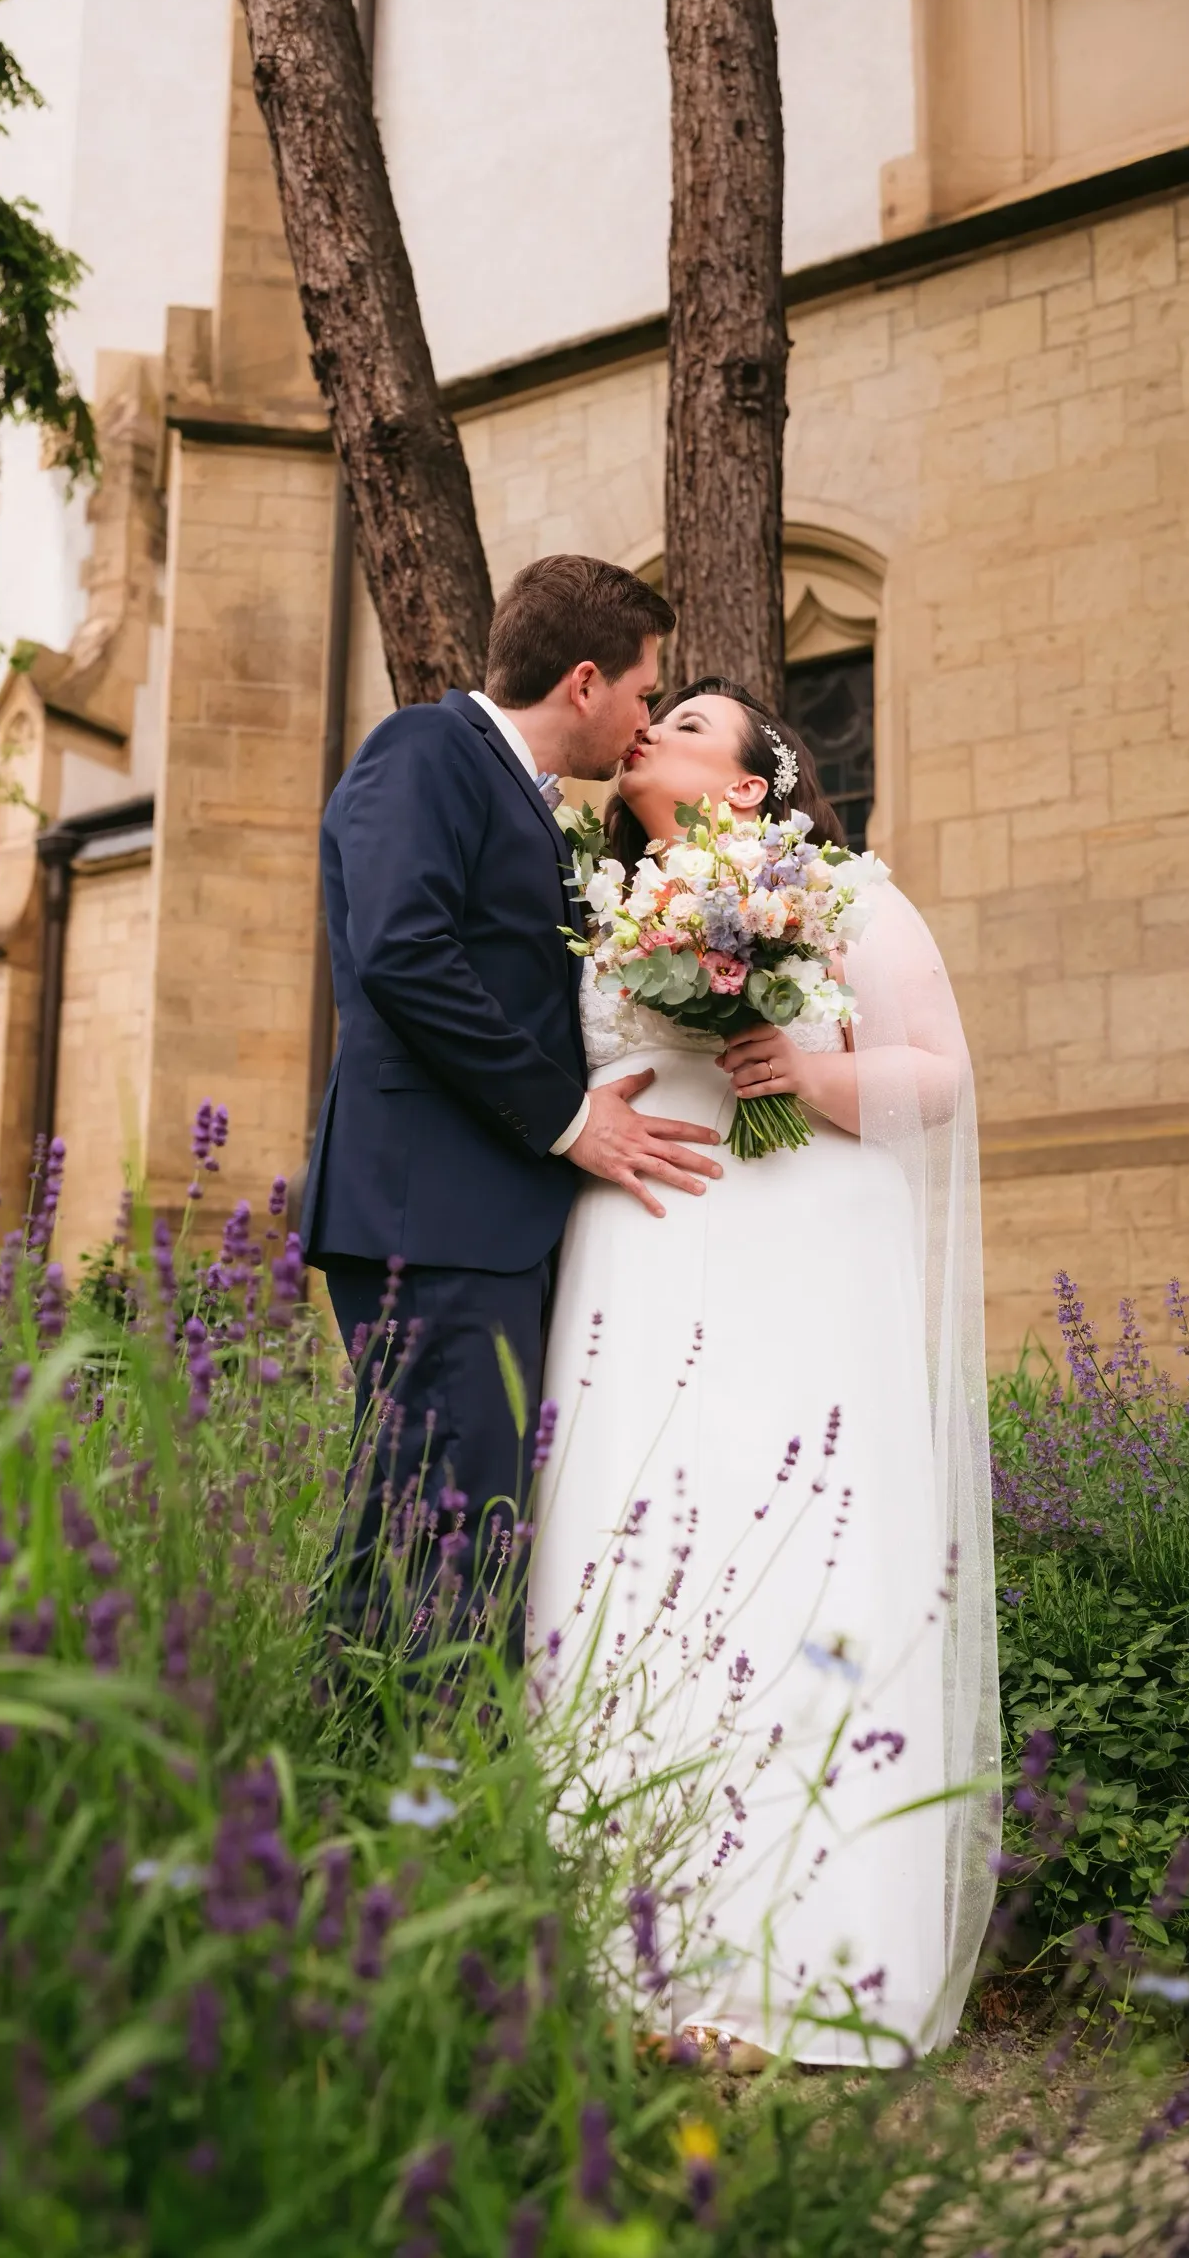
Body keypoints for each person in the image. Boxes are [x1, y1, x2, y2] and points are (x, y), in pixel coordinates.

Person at [529, 675, 1000, 2067]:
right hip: (639, 1265)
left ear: (745, 787)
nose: (649, 734)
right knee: (628, 1574)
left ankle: (792, 1972)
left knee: (788, 1569)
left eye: (684, 727)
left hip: (799, 1260)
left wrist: (804, 1069)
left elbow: (940, 1078)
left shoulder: (847, 897)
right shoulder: (602, 908)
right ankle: (611, 1963)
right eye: (650, 715)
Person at [301, 557, 724, 1643]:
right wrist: (576, 1119)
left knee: (450, 1523)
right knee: (439, 1532)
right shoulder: (426, 748)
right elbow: (404, 951)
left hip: (480, 1218)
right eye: (642, 692)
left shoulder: (519, 802)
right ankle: (392, 1789)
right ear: (584, 681)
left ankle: (400, 1782)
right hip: (430, 1212)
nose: (644, 720)